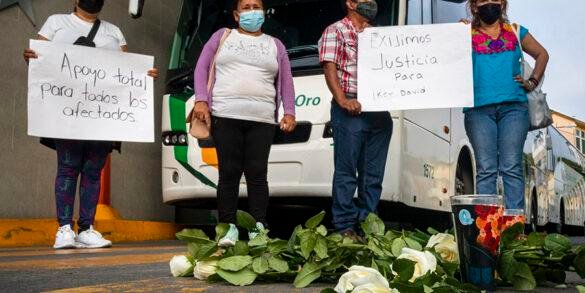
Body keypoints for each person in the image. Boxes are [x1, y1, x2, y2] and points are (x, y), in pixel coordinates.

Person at [23, 0, 158, 249]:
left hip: (101, 116)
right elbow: (39, 59)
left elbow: (127, 70)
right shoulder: (56, 23)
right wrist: (31, 57)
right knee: (68, 167)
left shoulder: (114, 31)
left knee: (93, 172)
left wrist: (144, 75)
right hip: (68, 113)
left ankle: (87, 228)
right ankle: (64, 228)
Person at [191, 0, 296, 246]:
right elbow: (201, 68)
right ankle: (227, 228)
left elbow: (286, 81)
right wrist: (201, 101)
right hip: (225, 115)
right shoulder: (222, 37)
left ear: (263, 12)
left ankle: (258, 228)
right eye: (246, 7)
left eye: (256, 6)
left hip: (262, 119)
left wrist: (289, 112)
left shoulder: (275, 45)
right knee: (229, 172)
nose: (252, 11)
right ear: (237, 15)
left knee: (258, 174)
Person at [465, 0, 548, 218]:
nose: (488, 3)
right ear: (474, 6)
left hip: (514, 109)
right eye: (482, 0)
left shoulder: (516, 31)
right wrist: (454, 35)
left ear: (502, 4)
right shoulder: (464, 33)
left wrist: (532, 81)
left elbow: (542, 54)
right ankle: (487, 230)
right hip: (478, 110)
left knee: (511, 167)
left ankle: (514, 229)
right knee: (485, 169)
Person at [318, 0, 393, 238]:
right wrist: (342, 101)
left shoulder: (379, 36)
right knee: (346, 171)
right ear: (350, 3)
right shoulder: (335, 30)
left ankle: (369, 224)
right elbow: (329, 66)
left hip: (378, 112)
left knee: (373, 174)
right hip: (350, 109)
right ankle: (344, 226)